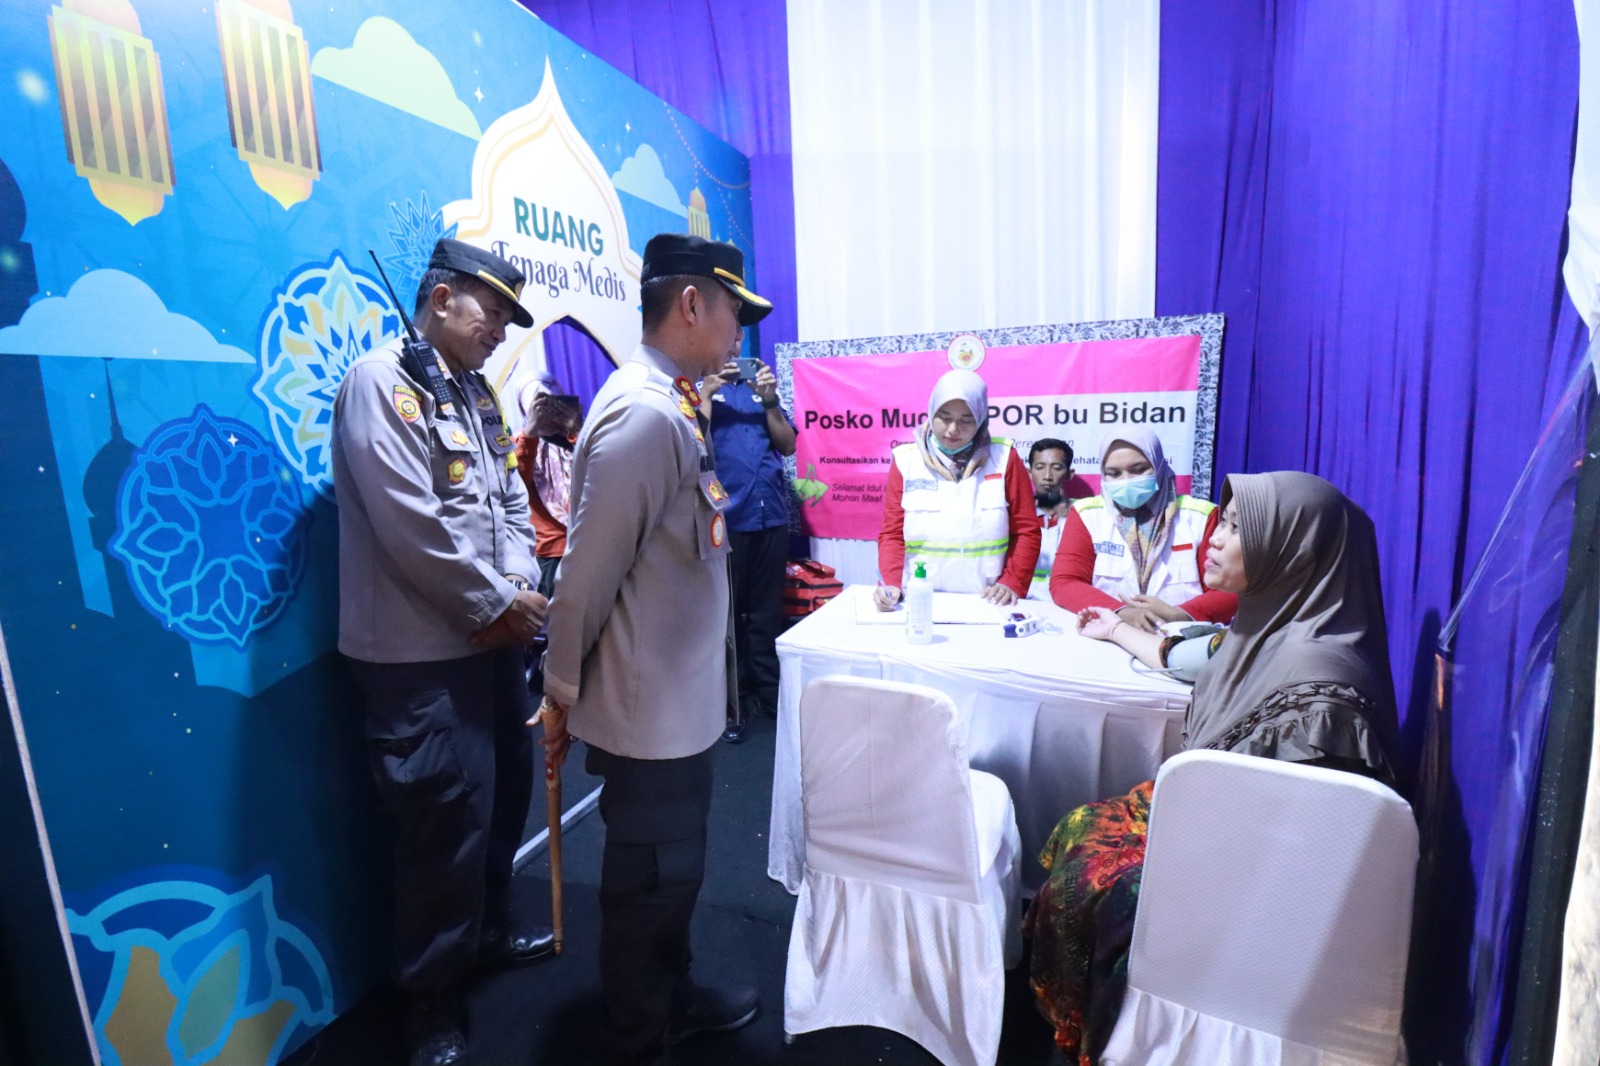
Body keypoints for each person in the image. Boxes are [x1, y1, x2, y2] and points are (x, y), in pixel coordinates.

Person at [1025, 471, 1403, 1065]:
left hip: (1249, 873)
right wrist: (1115, 628)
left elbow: (1302, 849)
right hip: (1220, 826)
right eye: (1221, 522)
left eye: (1238, 528)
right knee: (1080, 825)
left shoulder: (1323, 686)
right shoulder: (1264, 629)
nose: (1216, 539)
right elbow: (1179, 655)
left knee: (1100, 885)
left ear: (1294, 550)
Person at [538, 233, 771, 1065]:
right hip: (649, 715)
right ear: (691, 304)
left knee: (674, 874)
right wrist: (559, 692)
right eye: (735, 312)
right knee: (649, 882)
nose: (740, 331)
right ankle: (636, 1034)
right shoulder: (644, 414)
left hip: (678, 703)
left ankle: (671, 993)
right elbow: (585, 576)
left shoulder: (674, 401)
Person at [331, 239, 555, 1066]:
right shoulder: (381, 383)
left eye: (506, 318)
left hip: (492, 643)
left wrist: (521, 582)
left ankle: (487, 933)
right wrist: (496, 604)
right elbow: (408, 523)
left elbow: (509, 501)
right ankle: (428, 996)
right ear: (439, 298)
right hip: (419, 657)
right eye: (490, 311)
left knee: (500, 800)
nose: (499, 330)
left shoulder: (473, 393)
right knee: (440, 826)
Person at [874, 369, 1041, 609]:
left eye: (966, 420)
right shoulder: (906, 460)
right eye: (944, 417)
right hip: (920, 597)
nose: (953, 429)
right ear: (931, 412)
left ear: (980, 418)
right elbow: (892, 534)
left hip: (989, 600)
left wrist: (1012, 582)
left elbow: (1026, 531)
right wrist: (891, 584)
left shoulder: (1005, 458)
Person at [1049, 428, 1238, 630]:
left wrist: (1180, 615)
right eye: (1114, 473)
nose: (1126, 480)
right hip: (1109, 634)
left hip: (1184, 637)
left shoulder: (1200, 517)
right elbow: (1065, 582)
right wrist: (1120, 612)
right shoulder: (1087, 515)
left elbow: (1231, 589)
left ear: (1159, 466)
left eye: (1139, 470)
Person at [700, 354, 797, 743]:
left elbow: (787, 446)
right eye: (729, 337)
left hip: (769, 513)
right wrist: (706, 394)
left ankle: (770, 695)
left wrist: (770, 401)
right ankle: (732, 704)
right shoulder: (694, 387)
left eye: (739, 339)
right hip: (725, 519)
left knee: (766, 612)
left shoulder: (761, 389)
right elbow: (691, 444)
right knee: (726, 618)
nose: (734, 346)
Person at [514, 389, 582, 598]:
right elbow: (517, 483)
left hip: (587, 540)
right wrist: (531, 431)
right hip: (550, 552)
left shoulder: (582, 437)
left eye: (554, 403)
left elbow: (600, 471)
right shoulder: (520, 441)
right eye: (541, 405)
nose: (549, 411)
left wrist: (577, 430)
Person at [1026, 437, 1093, 600]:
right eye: (1040, 467)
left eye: (1056, 468)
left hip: (1071, 604)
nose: (1047, 476)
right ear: (1029, 472)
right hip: (1022, 603)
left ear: (1070, 474)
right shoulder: (1017, 514)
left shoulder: (1085, 514)